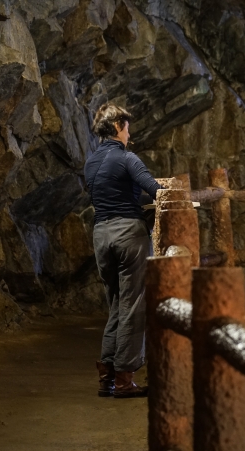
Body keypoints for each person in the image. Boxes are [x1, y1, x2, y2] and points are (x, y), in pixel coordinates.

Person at [85, 103, 163, 398]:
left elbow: (107, 191)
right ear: (118, 125)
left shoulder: (91, 162)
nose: (130, 133)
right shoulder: (128, 158)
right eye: (127, 127)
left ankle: (107, 374)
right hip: (128, 235)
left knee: (117, 303)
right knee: (133, 305)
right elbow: (155, 190)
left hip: (101, 235)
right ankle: (124, 379)